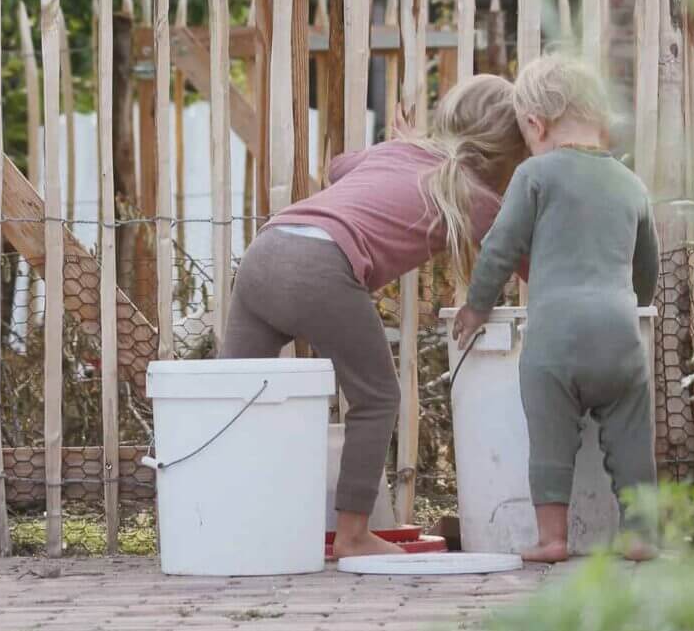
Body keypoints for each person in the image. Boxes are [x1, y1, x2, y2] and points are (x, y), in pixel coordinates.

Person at [222, 74, 528, 560]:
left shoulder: (398, 154)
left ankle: (223, 523)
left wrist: (399, 148)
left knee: (231, 403)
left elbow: (338, 169)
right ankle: (352, 536)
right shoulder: (479, 199)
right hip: (322, 266)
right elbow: (527, 262)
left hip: (267, 248)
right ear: (513, 152)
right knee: (377, 396)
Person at [453, 54, 660, 564]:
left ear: (534, 124)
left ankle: (552, 539)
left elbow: (501, 245)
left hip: (553, 340)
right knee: (632, 441)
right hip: (618, 332)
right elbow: (647, 263)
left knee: (550, 438)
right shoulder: (632, 184)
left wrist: (477, 306)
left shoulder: (535, 174)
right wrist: (639, 307)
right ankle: (639, 534)